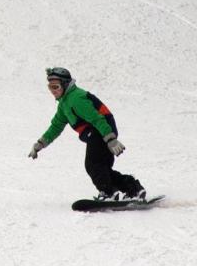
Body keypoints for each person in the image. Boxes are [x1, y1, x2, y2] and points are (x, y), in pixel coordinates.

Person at [28, 65, 146, 201]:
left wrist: (110, 139)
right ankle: (134, 189)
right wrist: (40, 144)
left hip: (101, 131)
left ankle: (109, 193)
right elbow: (56, 127)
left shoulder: (76, 99)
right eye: (50, 87)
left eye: (56, 87)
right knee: (103, 169)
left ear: (65, 85)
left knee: (92, 165)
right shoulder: (64, 104)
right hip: (99, 133)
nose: (52, 91)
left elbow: (97, 118)